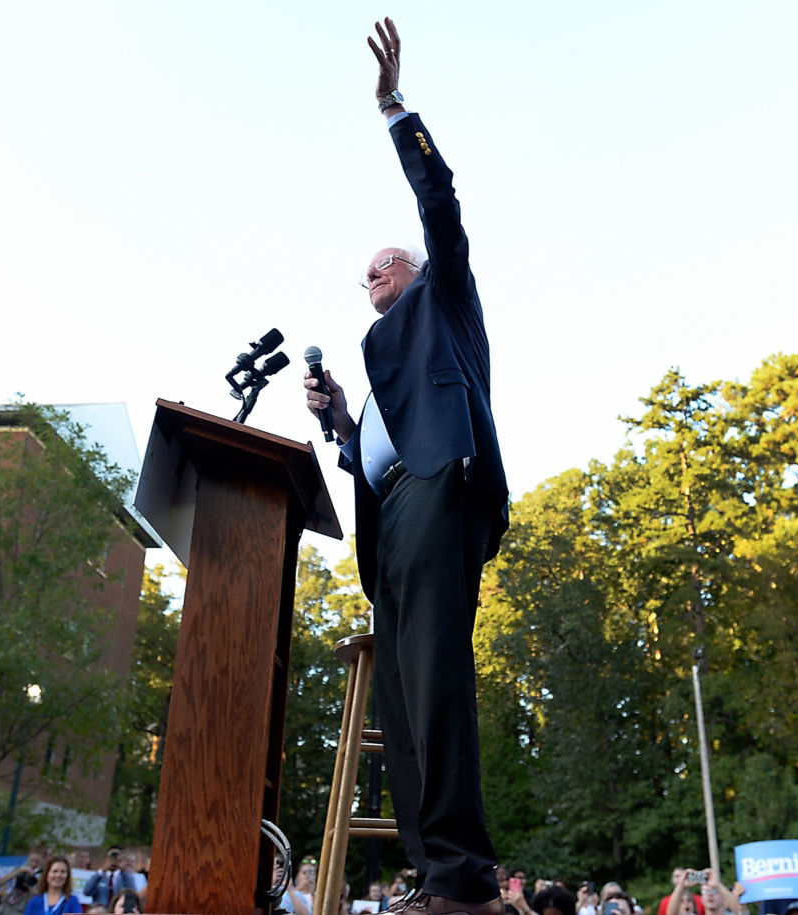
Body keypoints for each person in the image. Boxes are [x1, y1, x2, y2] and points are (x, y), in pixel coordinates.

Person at [302, 17, 509, 915]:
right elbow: (371, 457)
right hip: (390, 515)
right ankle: (436, 877)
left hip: (441, 491)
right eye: (367, 277)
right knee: (400, 690)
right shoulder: (384, 362)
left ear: (414, 271)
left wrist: (395, 109)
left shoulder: (445, 297)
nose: (372, 279)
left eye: (383, 267)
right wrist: (341, 421)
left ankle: (465, 876)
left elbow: (441, 202)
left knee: (434, 672)